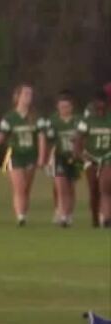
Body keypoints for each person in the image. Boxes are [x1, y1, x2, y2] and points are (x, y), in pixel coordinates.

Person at [0, 84, 40, 226]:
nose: (28, 97)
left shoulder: (35, 117)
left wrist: (42, 156)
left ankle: (23, 214)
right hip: (15, 155)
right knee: (19, 187)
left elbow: (41, 138)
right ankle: (20, 216)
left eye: (30, 94)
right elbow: (2, 135)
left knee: (26, 188)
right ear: (18, 97)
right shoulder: (10, 117)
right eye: (25, 94)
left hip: (31, 155)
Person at [37, 91, 81, 227]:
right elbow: (47, 140)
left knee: (70, 186)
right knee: (60, 186)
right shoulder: (52, 121)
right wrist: (44, 157)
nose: (64, 109)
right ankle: (62, 215)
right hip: (59, 156)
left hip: (74, 157)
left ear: (71, 107)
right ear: (57, 107)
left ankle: (69, 213)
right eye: (61, 106)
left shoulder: (78, 121)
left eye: (67, 106)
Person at [76, 88, 111, 227]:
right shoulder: (87, 121)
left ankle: (107, 218)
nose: (100, 107)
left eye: (103, 103)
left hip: (107, 157)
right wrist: (83, 157)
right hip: (91, 158)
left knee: (105, 186)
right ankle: (95, 219)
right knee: (93, 190)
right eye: (98, 103)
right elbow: (78, 141)